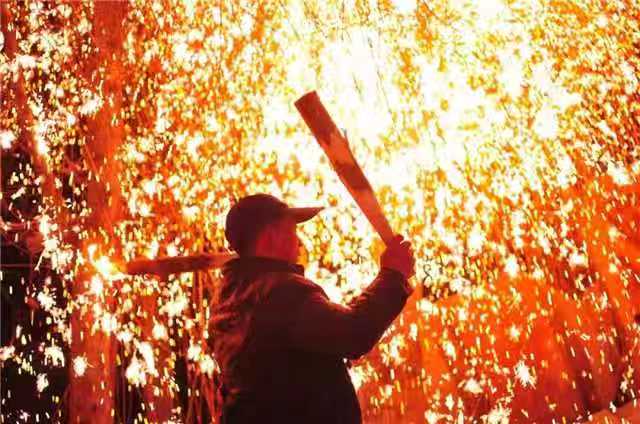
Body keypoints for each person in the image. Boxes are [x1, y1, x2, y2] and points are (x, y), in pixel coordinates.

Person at [210, 193, 415, 423]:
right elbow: (353, 333)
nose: (299, 243)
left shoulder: (225, 301)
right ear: (270, 238)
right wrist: (393, 276)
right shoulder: (281, 292)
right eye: (292, 232)